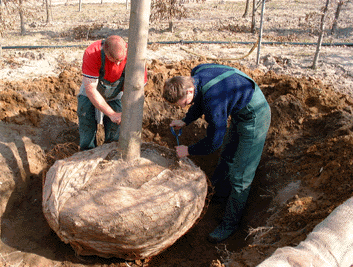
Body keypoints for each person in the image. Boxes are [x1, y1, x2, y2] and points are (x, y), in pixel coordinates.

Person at [163, 63, 271, 243]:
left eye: (182, 104)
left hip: (255, 115)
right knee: (227, 156)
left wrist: (188, 150)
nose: (182, 107)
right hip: (239, 108)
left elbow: (214, 142)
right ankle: (219, 195)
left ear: (189, 91)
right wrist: (185, 120)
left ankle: (230, 224)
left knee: (241, 176)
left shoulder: (214, 101)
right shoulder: (197, 73)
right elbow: (198, 100)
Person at [77, 35, 147, 151]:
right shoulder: (92, 53)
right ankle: (87, 151)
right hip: (93, 88)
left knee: (116, 128)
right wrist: (111, 113)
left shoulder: (135, 56)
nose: (118, 64)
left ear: (125, 48)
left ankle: (111, 150)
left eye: (121, 60)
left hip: (117, 91)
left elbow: (137, 90)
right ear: (106, 52)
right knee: (86, 118)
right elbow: (91, 89)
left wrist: (125, 112)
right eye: (114, 60)